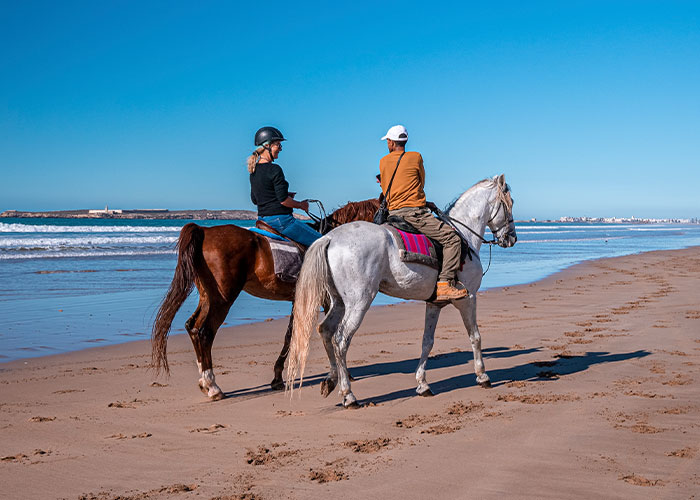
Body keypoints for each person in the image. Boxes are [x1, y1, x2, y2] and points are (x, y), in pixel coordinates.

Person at [378, 125, 467, 301]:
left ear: (391, 142)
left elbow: (392, 188)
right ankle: (444, 283)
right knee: (453, 239)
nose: (387, 143)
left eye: (387, 140)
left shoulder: (383, 161)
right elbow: (420, 183)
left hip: (393, 212)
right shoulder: (416, 157)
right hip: (414, 213)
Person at [247, 126, 322, 247]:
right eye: (278, 145)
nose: (280, 148)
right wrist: (301, 205)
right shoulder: (274, 169)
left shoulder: (253, 171)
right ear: (267, 146)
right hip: (281, 222)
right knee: (323, 242)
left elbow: (255, 199)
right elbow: (283, 201)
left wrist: (283, 194)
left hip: (263, 220)